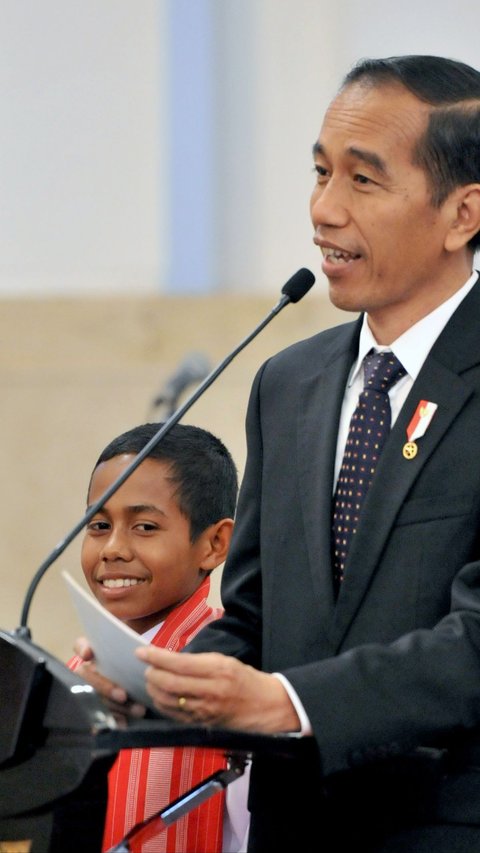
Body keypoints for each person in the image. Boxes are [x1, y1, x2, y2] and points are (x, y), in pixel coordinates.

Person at [127, 56, 480, 852]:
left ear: (463, 214)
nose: (323, 210)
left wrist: (286, 701)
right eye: (320, 172)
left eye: (363, 181)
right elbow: (252, 614)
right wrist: (157, 679)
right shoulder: (288, 383)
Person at [69, 421, 249, 853]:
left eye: (144, 527)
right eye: (97, 525)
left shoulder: (237, 675)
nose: (112, 549)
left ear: (214, 543)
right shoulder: (78, 669)